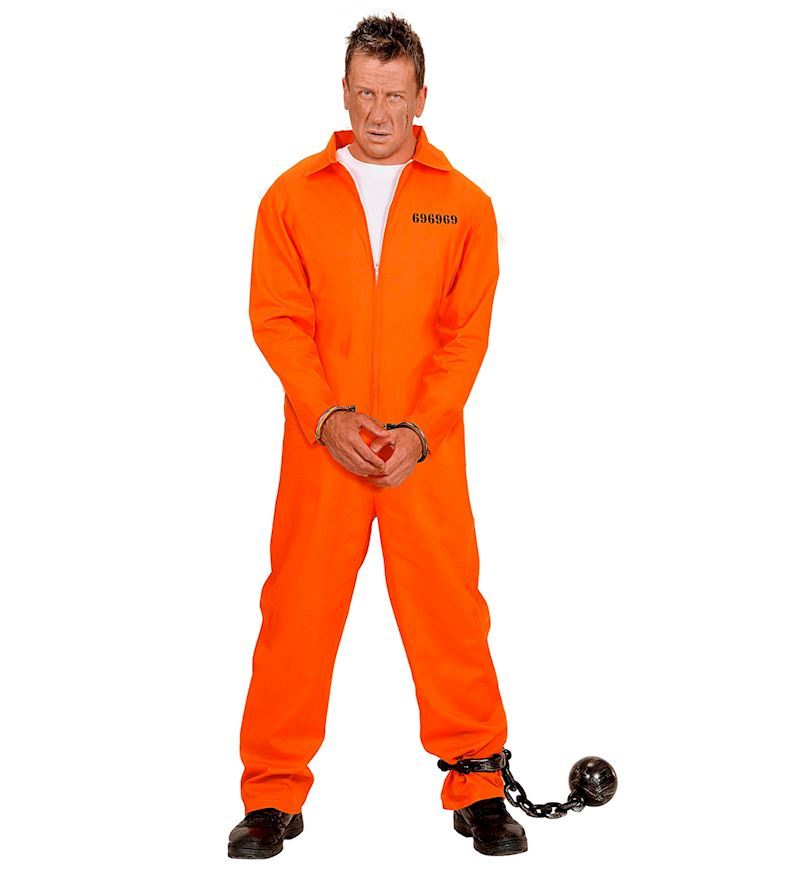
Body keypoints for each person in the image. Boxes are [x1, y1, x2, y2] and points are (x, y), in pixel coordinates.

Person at [228, 13, 527, 858]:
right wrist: (326, 417)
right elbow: (277, 320)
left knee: (449, 611)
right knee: (296, 613)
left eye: (394, 95)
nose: (378, 112)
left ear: (422, 96)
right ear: (344, 91)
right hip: (324, 447)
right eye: (365, 92)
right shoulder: (292, 197)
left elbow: (467, 336)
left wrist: (420, 432)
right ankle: (272, 795)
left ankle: (478, 784)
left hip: (421, 454)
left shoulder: (464, 205)